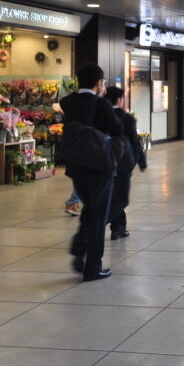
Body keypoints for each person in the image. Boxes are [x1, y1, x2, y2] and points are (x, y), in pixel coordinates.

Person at [61, 63, 122, 282]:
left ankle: (79, 250)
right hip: (100, 166)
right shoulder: (101, 104)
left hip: (77, 167)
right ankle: (93, 267)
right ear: (98, 83)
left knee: (89, 210)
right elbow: (118, 129)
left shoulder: (66, 102)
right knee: (98, 216)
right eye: (103, 82)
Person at [105, 86, 146, 240]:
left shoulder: (100, 116)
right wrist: (140, 162)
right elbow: (135, 142)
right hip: (122, 163)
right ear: (119, 100)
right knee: (120, 197)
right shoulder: (126, 118)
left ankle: (117, 227)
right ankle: (115, 227)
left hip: (103, 161)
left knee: (108, 195)